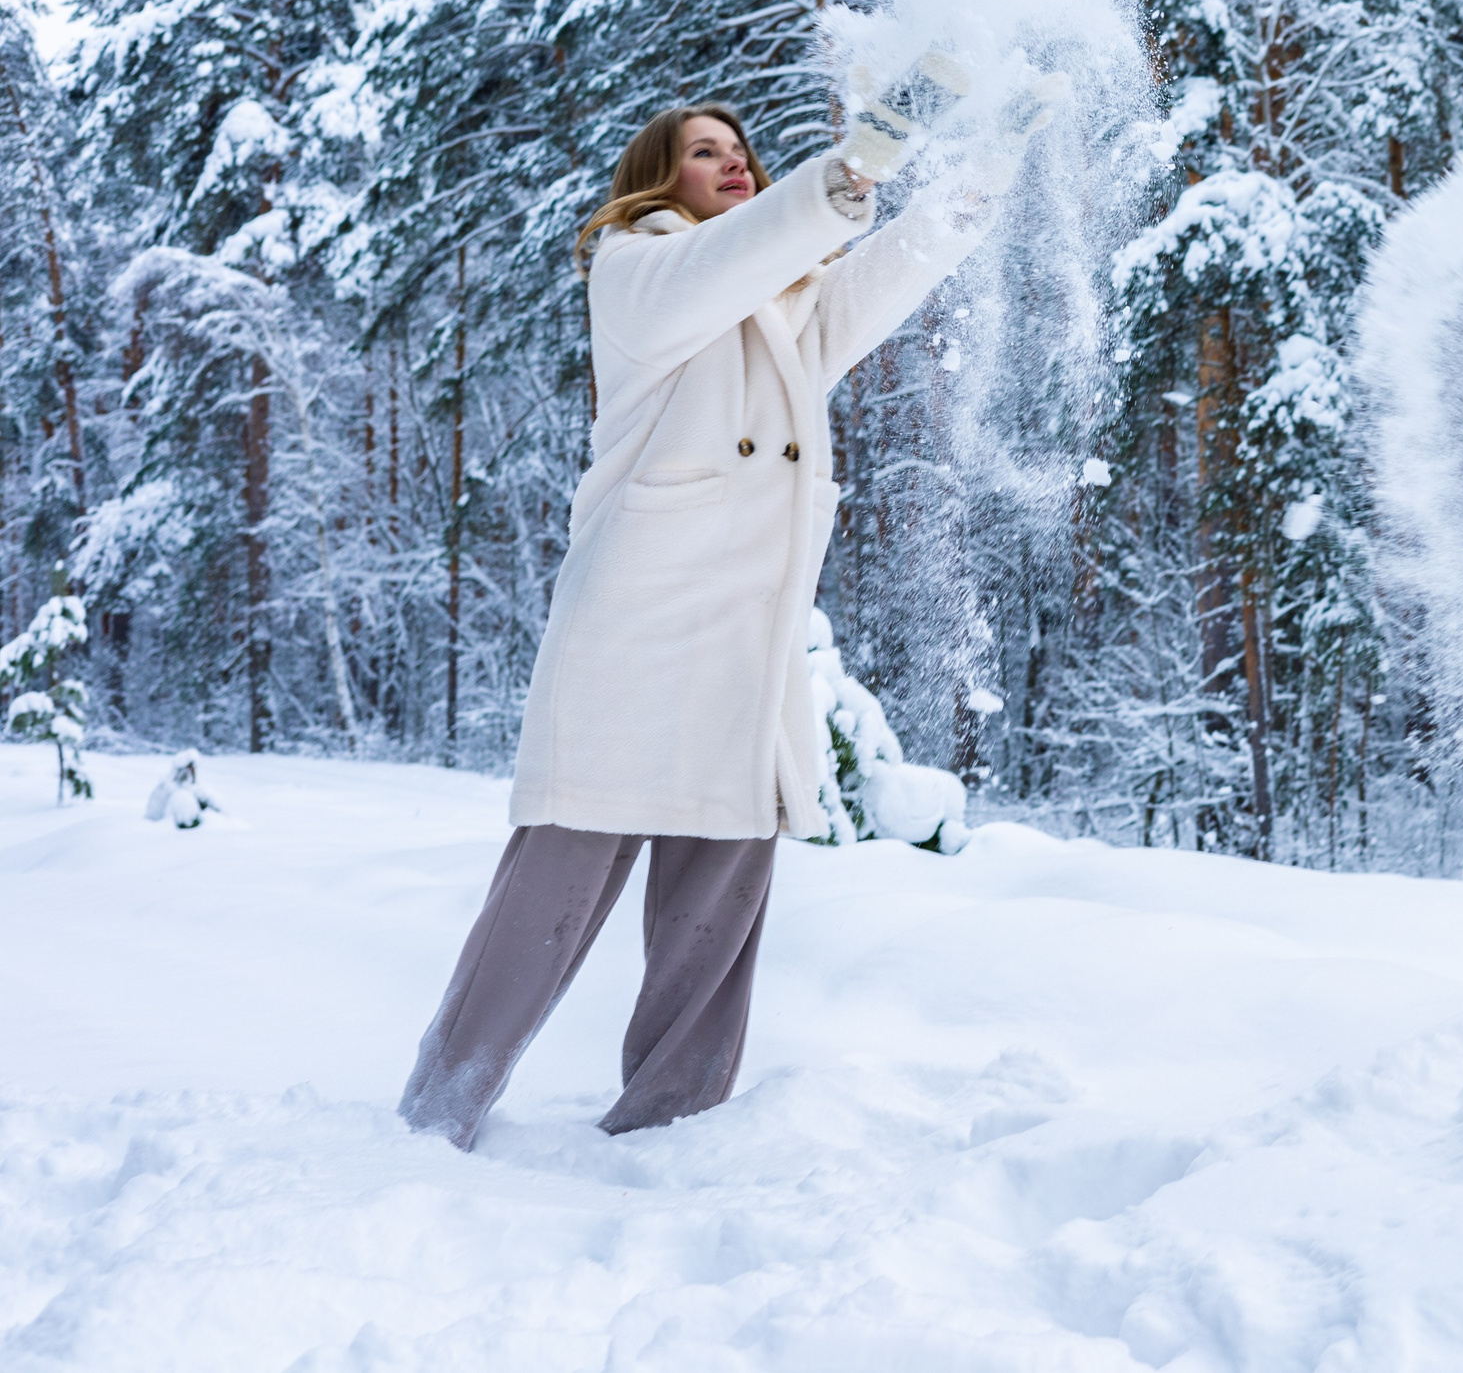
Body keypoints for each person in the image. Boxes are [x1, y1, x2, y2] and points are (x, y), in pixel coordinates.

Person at [399, 84, 1044, 1149]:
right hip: (640, 617)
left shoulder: (785, 300)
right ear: (661, 177)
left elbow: (878, 280)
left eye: (741, 148)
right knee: (554, 882)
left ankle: (671, 1123)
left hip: (748, 626)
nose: (735, 162)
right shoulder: (637, 267)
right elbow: (718, 269)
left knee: (725, 876)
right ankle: (440, 1108)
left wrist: (978, 181)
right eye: (707, 153)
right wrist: (848, 176)